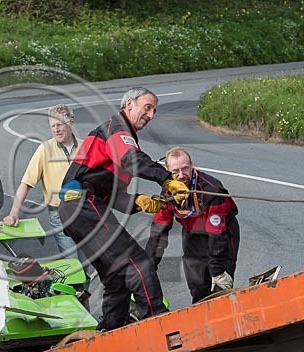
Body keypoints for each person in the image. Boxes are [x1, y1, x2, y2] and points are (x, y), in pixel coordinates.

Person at [58, 87, 189, 331]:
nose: (151, 115)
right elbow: (132, 160)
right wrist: (166, 178)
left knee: (116, 277)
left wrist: (140, 201)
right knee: (139, 263)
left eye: (154, 111)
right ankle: (159, 324)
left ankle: (110, 332)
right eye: (147, 107)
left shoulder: (119, 134)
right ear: (129, 104)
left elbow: (113, 195)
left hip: (77, 209)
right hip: (82, 205)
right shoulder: (118, 128)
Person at [3, 104, 94, 275]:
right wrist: (14, 212)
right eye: (53, 125)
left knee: (85, 265)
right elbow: (26, 183)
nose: (56, 129)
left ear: (71, 123)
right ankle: (73, 297)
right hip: (59, 215)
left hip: (86, 214)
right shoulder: (44, 149)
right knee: (73, 265)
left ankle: (82, 299)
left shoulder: (86, 147)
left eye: (60, 124)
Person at [146, 147, 240, 304]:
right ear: (167, 171)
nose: (182, 175)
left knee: (219, 290)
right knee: (198, 289)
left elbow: (217, 235)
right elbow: (159, 229)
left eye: (185, 169)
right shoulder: (169, 191)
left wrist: (217, 271)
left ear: (192, 165)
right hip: (193, 234)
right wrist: (149, 266)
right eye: (176, 171)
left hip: (222, 235)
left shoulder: (212, 190)